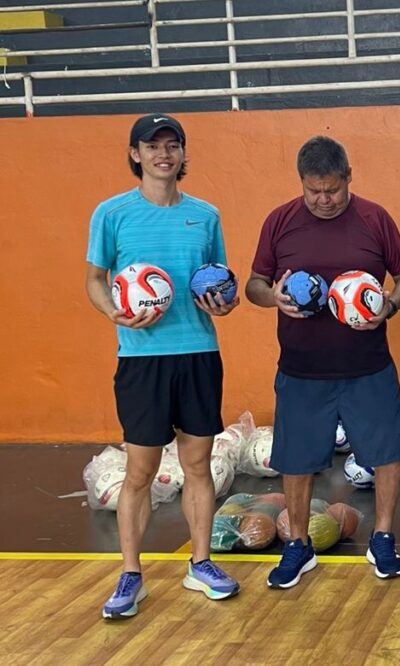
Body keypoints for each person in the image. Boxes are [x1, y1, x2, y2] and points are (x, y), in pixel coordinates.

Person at [85, 113, 241, 619]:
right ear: (136, 154)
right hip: (141, 359)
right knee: (140, 471)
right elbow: (95, 279)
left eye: (172, 145)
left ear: (182, 154)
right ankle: (131, 575)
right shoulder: (112, 213)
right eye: (152, 146)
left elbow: (218, 281)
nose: (163, 154)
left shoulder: (205, 215)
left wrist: (224, 304)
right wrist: (113, 312)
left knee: (198, 466)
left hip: (197, 354)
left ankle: (201, 564)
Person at [246, 136, 400, 587]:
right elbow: (254, 285)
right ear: (302, 183)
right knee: (297, 462)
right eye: (314, 191)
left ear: (348, 178)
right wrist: (273, 297)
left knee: (388, 454)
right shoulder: (280, 221)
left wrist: (390, 305)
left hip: (369, 366)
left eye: (333, 190)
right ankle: (298, 546)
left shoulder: (375, 219)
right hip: (302, 370)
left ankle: (383, 538)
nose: (324, 199)